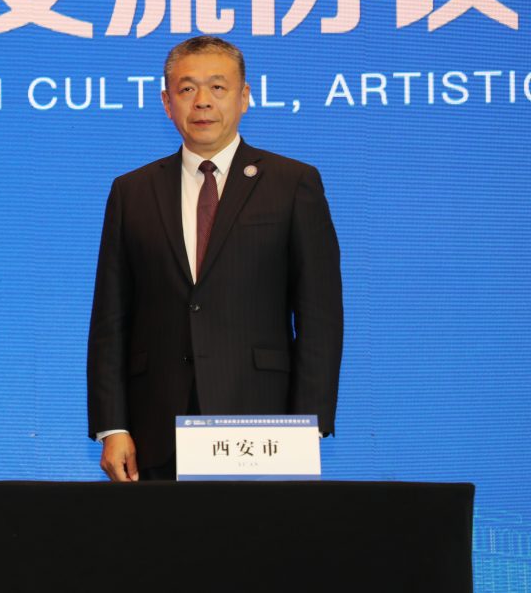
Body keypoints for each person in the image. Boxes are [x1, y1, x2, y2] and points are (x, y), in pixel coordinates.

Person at [87, 36, 342, 481]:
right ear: (167, 103)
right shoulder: (132, 191)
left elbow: (320, 315)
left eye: (218, 87)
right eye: (187, 89)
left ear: (244, 97)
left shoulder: (292, 183)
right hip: (155, 426)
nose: (202, 101)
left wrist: (309, 424)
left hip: (263, 425)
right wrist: (113, 425)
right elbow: (111, 319)